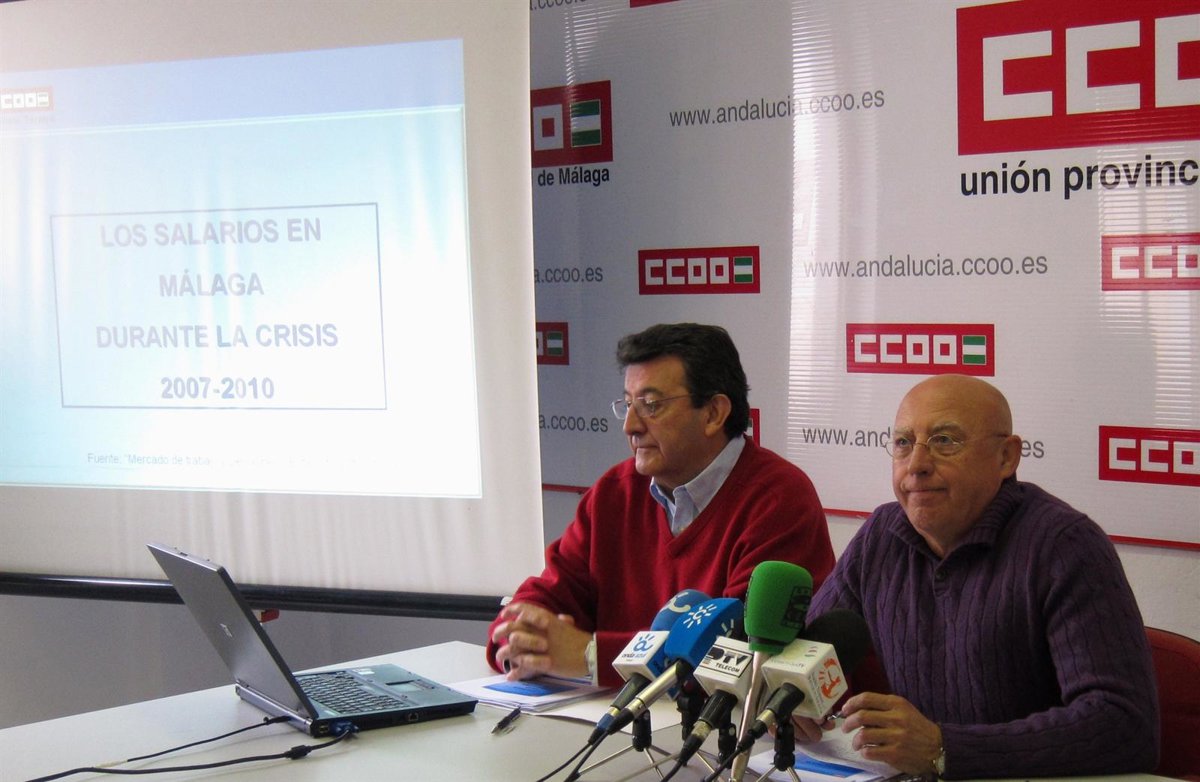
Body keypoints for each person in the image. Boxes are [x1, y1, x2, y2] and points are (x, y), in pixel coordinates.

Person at [801, 374, 1159, 778]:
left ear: (1006, 457)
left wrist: (944, 749)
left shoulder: (1065, 545)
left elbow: (1125, 726)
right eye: (903, 443)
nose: (916, 465)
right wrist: (788, 697)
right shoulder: (881, 535)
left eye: (945, 441)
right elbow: (808, 655)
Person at [486, 323, 834, 687]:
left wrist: (592, 656)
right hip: (608, 714)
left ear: (713, 413)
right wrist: (520, 639)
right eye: (628, 405)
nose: (630, 426)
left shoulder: (778, 499)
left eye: (651, 405)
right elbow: (550, 592)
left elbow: (741, 655)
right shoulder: (614, 492)